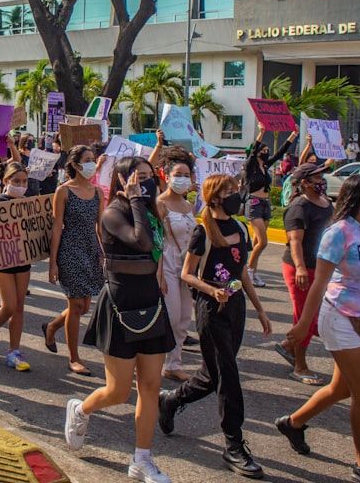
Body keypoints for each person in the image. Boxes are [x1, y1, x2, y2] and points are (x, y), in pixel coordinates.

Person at [273, 174, 360, 483]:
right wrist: (303, 324)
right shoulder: (338, 232)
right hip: (340, 317)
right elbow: (319, 283)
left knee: (341, 389)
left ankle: (292, 423)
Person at [65, 157, 176, 483]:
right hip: (120, 305)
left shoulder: (150, 211)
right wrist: (138, 200)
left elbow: (155, 249)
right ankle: (80, 410)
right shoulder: (113, 213)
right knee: (118, 391)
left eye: (149, 176)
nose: (146, 183)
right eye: (138, 177)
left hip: (151, 302)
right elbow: (141, 241)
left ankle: (142, 459)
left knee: (151, 386)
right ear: (123, 181)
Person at [157, 173, 271, 478]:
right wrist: (211, 290)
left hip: (236, 308)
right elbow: (186, 274)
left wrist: (260, 309)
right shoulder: (203, 231)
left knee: (212, 375)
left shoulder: (240, 228)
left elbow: (242, 272)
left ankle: (171, 400)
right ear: (216, 197)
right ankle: (234, 445)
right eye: (230, 191)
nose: (236, 195)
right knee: (228, 376)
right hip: (211, 310)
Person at [43, 144, 104, 376]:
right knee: (76, 306)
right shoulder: (64, 191)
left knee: (84, 306)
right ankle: (74, 358)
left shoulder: (98, 192)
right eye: (87, 160)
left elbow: (100, 227)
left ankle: (52, 327)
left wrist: (104, 252)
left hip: (90, 250)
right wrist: (53, 262)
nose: (92, 163)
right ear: (76, 165)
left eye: (93, 159)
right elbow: (57, 227)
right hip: (70, 251)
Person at [277, 163, 333, 385]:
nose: (321, 181)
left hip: (320, 267)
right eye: (316, 177)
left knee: (315, 317)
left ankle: (288, 345)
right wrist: (300, 268)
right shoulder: (299, 207)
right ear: (305, 183)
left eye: (321, 176)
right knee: (304, 318)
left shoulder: (325, 202)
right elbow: (295, 241)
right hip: (300, 269)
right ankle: (299, 366)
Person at [0, 161, 37, 371]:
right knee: (9, 305)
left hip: (23, 259)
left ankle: (14, 352)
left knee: (19, 306)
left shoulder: (29, 204)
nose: (21, 185)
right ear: (6, 181)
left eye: (24, 181)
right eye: (16, 181)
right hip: (2, 260)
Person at [155, 150, 201, 382]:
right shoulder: (159, 203)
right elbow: (155, 241)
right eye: (178, 174)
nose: (182, 179)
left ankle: (173, 363)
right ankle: (153, 361)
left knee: (184, 317)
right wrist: (159, 274)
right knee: (171, 316)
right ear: (166, 175)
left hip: (186, 267)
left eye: (186, 174)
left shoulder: (190, 205)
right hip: (167, 264)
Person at [243, 124, 297, 287]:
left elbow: (280, 152)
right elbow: (253, 151)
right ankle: (248, 271)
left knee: (257, 242)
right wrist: (261, 132)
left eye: (267, 150)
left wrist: (293, 135)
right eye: (263, 150)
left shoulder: (265, 166)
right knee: (263, 242)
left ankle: (253, 271)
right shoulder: (250, 165)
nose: (266, 152)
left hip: (265, 204)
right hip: (254, 204)